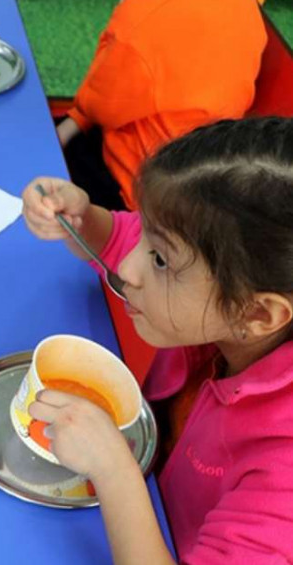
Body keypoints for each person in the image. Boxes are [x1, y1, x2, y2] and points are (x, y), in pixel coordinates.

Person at [23, 117, 293, 563]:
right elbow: (126, 236)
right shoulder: (236, 309)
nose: (128, 268)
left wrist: (113, 470)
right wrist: (84, 220)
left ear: (259, 312)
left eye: (160, 261)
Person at [57, 0, 266, 210]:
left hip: (132, 189)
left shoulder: (149, 14)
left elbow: (101, 106)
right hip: (191, 190)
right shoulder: (248, 12)